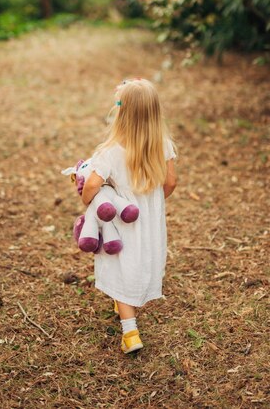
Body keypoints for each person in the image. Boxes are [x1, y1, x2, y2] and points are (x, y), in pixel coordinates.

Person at [82, 78, 177, 354]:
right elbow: (170, 182)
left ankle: (131, 333)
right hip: (148, 218)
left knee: (122, 264)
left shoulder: (110, 152)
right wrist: (154, 204)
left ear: (121, 113)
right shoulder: (163, 143)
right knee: (139, 260)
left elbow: (90, 184)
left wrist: (88, 202)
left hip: (121, 219)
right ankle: (127, 301)